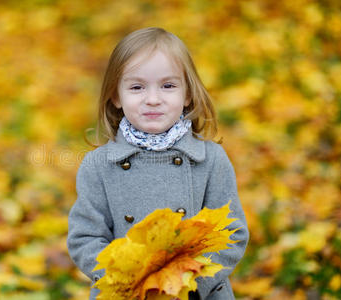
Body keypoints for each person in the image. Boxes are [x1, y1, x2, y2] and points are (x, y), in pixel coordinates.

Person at [67, 27, 249, 300]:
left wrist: (187, 283)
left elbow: (230, 232)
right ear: (116, 96)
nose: (153, 99)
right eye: (137, 87)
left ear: (187, 94)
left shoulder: (210, 160)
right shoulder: (98, 166)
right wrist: (130, 280)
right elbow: (86, 238)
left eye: (168, 85)